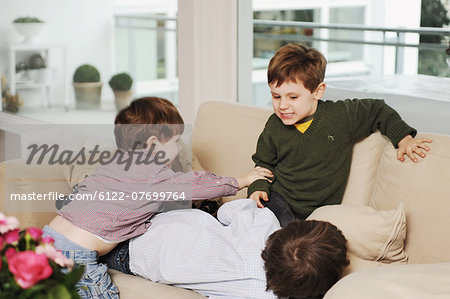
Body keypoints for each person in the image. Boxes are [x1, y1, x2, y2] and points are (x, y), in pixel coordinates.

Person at [42, 97, 272, 299]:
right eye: (174, 141)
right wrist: (239, 181)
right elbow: (194, 184)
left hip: (49, 236)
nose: (178, 148)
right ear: (153, 144)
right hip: (76, 254)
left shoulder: (116, 164)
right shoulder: (152, 173)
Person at [248, 43, 432, 227]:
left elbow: (378, 110)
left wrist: (404, 138)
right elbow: (263, 164)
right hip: (279, 199)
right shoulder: (274, 125)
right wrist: (258, 188)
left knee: (309, 241)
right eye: (276, 96)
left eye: (293, 97)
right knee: (273, 225)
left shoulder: (341, 115)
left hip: (320, 212)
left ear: (318, 91)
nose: (282, 106)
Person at [103, 198, 349, 299]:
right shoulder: (259, 295)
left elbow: (227, 211)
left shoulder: (264, 224)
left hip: (160, 221)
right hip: (134, 257)